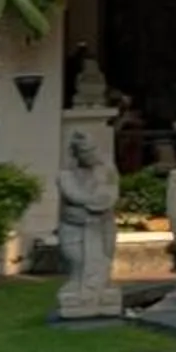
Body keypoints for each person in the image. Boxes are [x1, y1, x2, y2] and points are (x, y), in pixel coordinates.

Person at [55, 127, 123, 320]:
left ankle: (102, 297)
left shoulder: (107, 170)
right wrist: (92, 204)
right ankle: (80, 296)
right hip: (74, 228)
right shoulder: (65, 176)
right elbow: (76, 196)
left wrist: (95, 204)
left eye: (93, 149)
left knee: (104, 261)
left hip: (103, 226)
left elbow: (108, 197)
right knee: (78, 262)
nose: (92, 155)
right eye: (86, 152)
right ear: (76, 154)